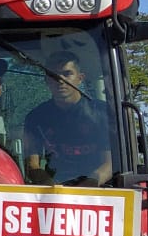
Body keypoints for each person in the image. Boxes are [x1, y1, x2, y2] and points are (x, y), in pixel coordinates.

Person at [23, 54, 114, 184]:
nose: (60, 80)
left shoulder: (103, 113)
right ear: (47, 81)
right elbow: (32, 166)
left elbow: (110, 164)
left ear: (80, 78)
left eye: (67, 74)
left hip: (98, 190)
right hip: (53, 189)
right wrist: (53, 189)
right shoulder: (35, 118)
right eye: (53, 75)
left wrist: (87, 187)